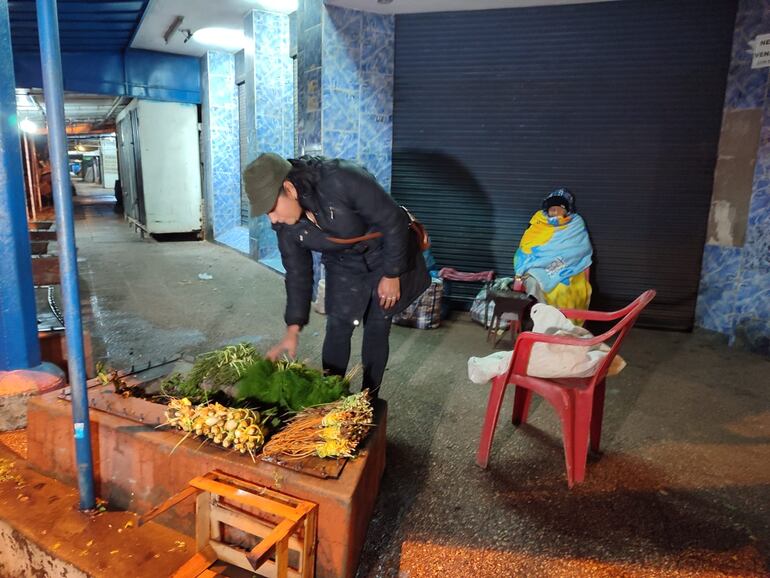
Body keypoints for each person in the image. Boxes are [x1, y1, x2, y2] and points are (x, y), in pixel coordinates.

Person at [243, 153, 430, 397]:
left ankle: (369, 397)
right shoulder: (285, 226)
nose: (273, 219)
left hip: (383, 254)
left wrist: (392, 274)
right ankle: (330, 396)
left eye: (272, 208)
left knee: (376, 326)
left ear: (289, 188)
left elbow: (393, 220)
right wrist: (293, 328)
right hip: (343, 263)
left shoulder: (341, 178)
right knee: (338, 327)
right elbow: (298, 273)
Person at [513, 187, 592, 311]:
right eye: (552, 209)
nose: (555, 213)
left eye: (558, 209)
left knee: (563, 289)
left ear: (566, 210)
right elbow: (527, 245)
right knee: (531, 281)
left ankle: (557, 320)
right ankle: (545, 313)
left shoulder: (575, 223)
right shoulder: (539, 221)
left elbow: (579, 249)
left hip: (565, 266)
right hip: (537, 266)